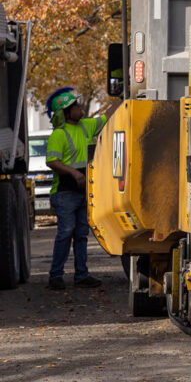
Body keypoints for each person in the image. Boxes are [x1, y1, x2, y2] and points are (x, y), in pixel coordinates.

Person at [45, 87, 108, 290]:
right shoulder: (59, 135)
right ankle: (55, 276)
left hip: (83, 192)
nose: (80, 108)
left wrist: (126, 94)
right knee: (66, 232)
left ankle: (81, 275)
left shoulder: (86, 126)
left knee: (81, 234)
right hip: (65, 193)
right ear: (66, 112)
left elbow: (109, 116)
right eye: (75, 106)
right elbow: (52, 161)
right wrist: (74, 173)